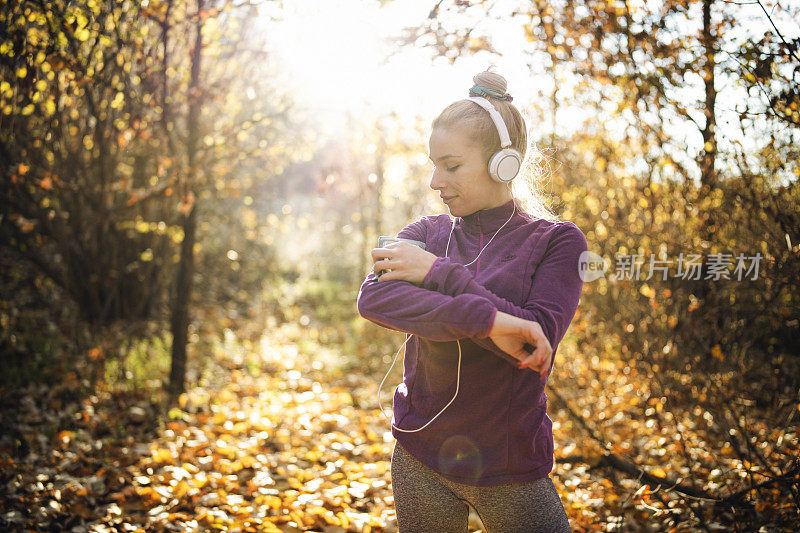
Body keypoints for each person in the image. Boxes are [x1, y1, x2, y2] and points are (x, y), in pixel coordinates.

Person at [356, 69, 587, 532]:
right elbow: (376, 300)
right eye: (433, 164)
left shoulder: (558, 243)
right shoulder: (425, 232)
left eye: (452, 165)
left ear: (504, 163)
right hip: (419, 455)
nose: (435, 181)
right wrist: (488, 320)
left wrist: (435, 274)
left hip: (509, 466)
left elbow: (530, 344)